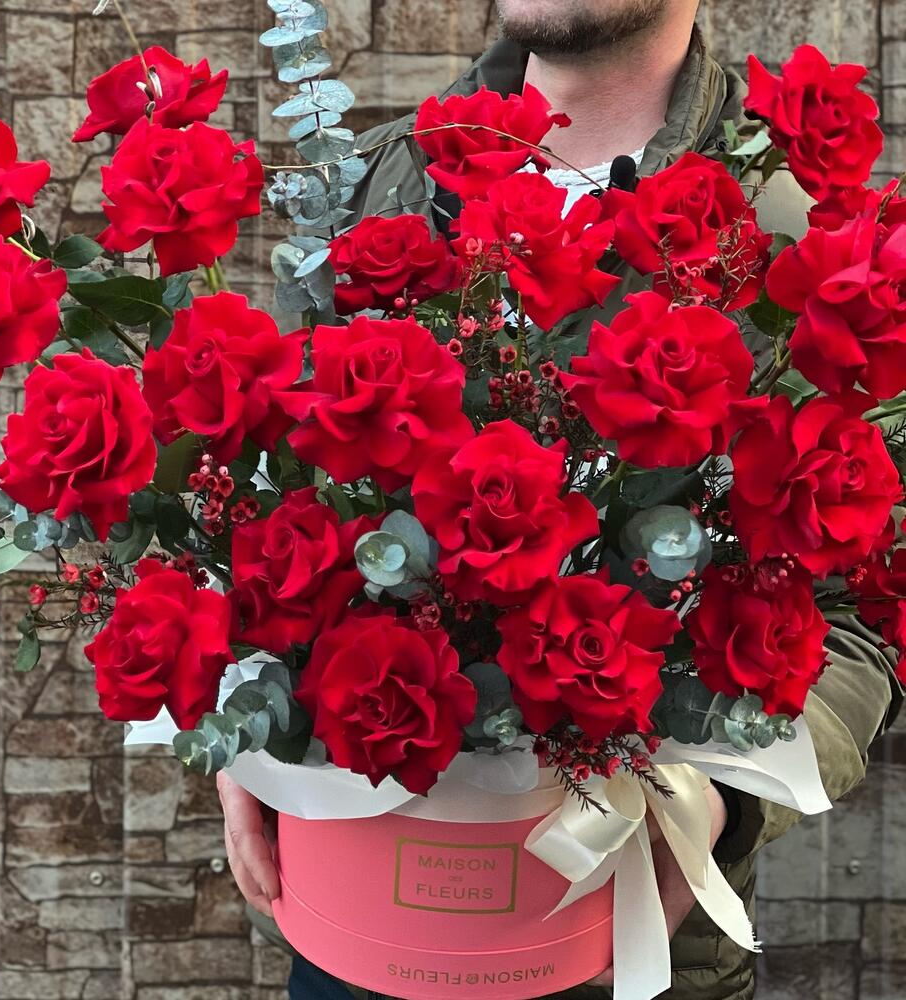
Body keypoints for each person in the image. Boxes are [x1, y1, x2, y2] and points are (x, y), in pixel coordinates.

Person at [217, 2, 904, 998]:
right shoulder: (374, 180)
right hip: (353, 925)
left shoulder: (806, 243)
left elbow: (867, 621)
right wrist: (242, 719)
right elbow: (266, 511)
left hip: (618, 938)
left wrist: (716, 804)